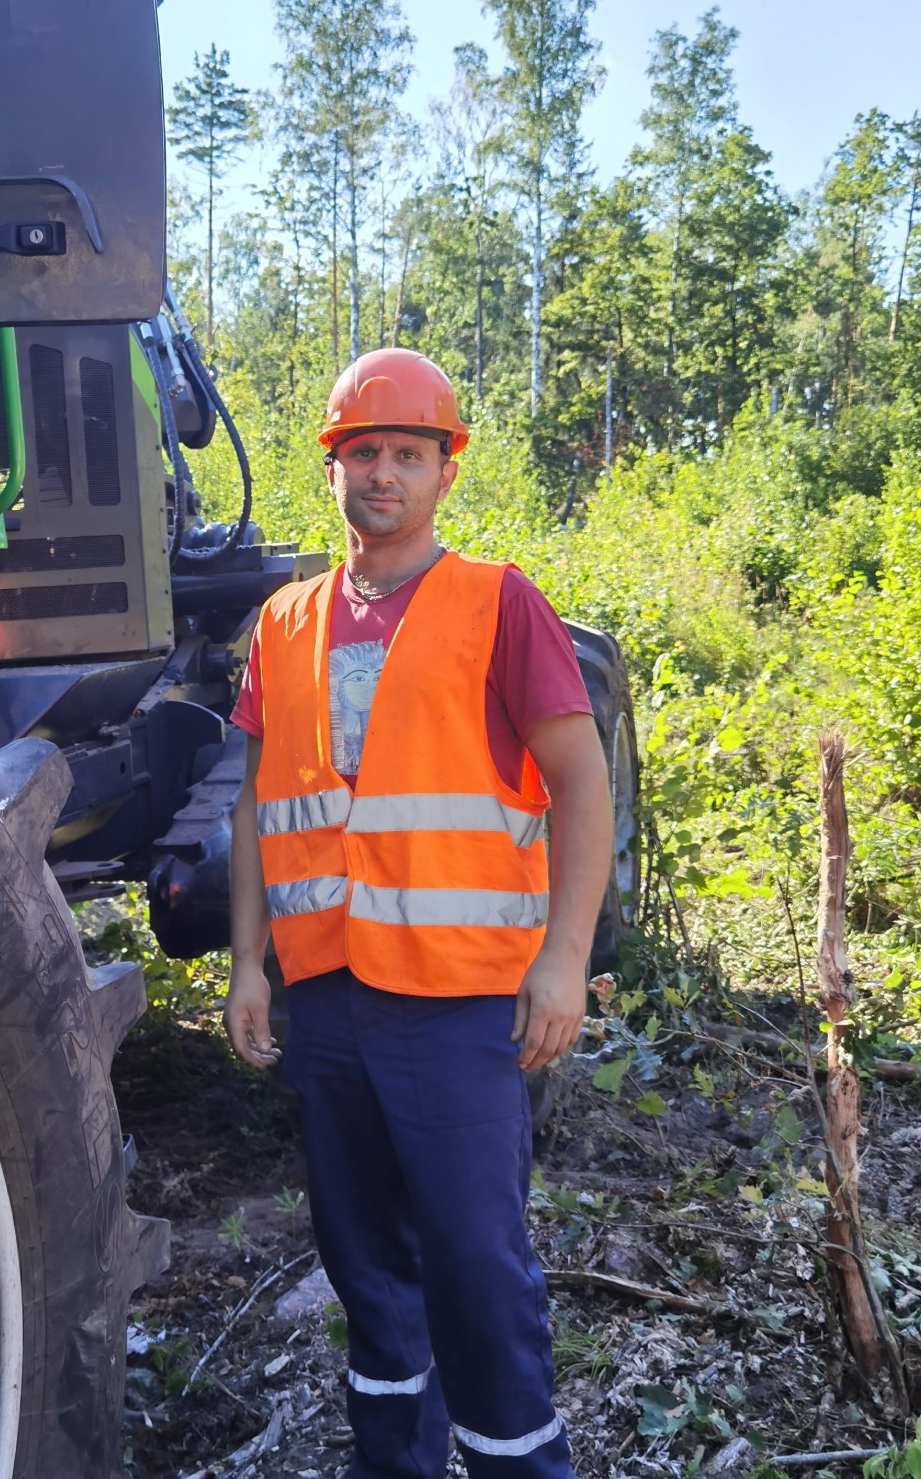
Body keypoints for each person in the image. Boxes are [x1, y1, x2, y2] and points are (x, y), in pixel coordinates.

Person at [223, 349, 612, 1479]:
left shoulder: (498, 604)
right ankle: (390, 1463)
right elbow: (256, 803)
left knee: (475, 1264)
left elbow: (579, 785)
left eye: (406, 454)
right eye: (361, 453)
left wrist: (564, 959)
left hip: (458, 1003)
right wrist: (249, 964)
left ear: (445, 473)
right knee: (360, 1263)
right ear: (332, 469)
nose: (381, 474)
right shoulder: (283, 622)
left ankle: (515, 1464)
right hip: (330, 1000)